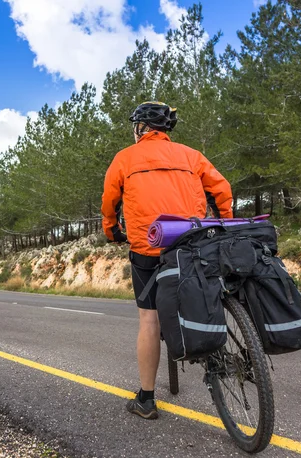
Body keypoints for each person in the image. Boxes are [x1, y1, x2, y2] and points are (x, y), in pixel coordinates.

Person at [101, 101, 233, 419]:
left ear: (142, 128)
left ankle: (146, 400)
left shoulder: (124, 158)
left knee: (149, 320)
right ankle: (216, 351)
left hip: (149, 249)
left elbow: (109, 202)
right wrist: (225, 220)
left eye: (135, 127)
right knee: (202, 297)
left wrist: (112, 231)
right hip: (193, 243)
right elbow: (222, 188)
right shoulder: (191, 156)